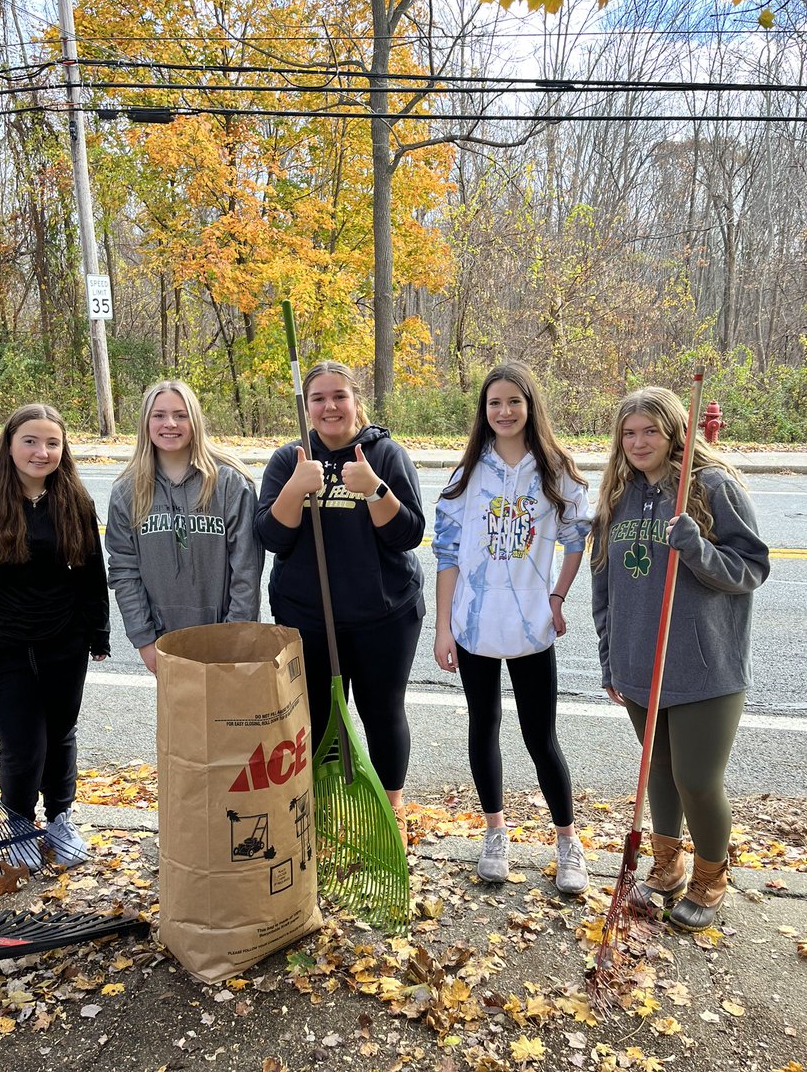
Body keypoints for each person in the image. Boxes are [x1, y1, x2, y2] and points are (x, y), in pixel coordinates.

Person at [591, 386, 769, 930]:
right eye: (629, 433)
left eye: (651, 431)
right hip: (637, 663)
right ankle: (667, 866)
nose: (639, 442)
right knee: (660, 773)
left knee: (696, 778)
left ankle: (711, 877)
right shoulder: (617, 495)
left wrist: (696, 548)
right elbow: (604, 584)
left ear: (676, 434)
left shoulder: (710, 487)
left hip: (703, 667)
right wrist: (610, 656)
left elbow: (750, 570)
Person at [432, 362, 591, 894]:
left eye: (514, 402)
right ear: (484, 411)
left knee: (540, 736)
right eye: (494, 403)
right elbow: (447, 555)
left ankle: (567, 841)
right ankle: (495, 833)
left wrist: (557, 596)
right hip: (474, 626)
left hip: (530, 628)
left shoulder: (554, 471)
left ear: (530, 406)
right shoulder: (466, 476)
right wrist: (443, 628)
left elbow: (576, 538)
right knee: (484, 728)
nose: (504, 411)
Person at [0, 404, 110, 868]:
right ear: (9, 444)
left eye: (52, 442)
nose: (41, 451)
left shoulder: (75, 501)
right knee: (23, 744)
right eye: (30, 441)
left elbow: (92, 573)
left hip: (63, 641)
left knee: (60, 735)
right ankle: (19, 824)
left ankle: (60, 818)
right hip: (0, 643)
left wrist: (98, 633)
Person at [255, 361, 424, 848]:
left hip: (383, 616)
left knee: (382, 713)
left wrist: (374, 488)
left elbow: (408, 534)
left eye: (339, 396)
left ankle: (390, 811)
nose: (329, 407)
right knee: (316, 719)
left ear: (355, 400)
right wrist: (295, 488)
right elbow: (271, 537)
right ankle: (324, 809)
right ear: (306, 406)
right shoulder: (289, 459)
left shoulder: (386, 454)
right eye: (318, 398)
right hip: (307, 618)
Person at [106, 380, 262, 673]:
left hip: (226, 639)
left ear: (195, 421)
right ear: (146, 422)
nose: (170, 423)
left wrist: (235, 635)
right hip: (163, 642)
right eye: (159, 415)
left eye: (180, 415)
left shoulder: (230, 484)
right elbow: (124, 571)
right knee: (182, 706)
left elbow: (247, 569)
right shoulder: (127, 491)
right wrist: (144, 640)